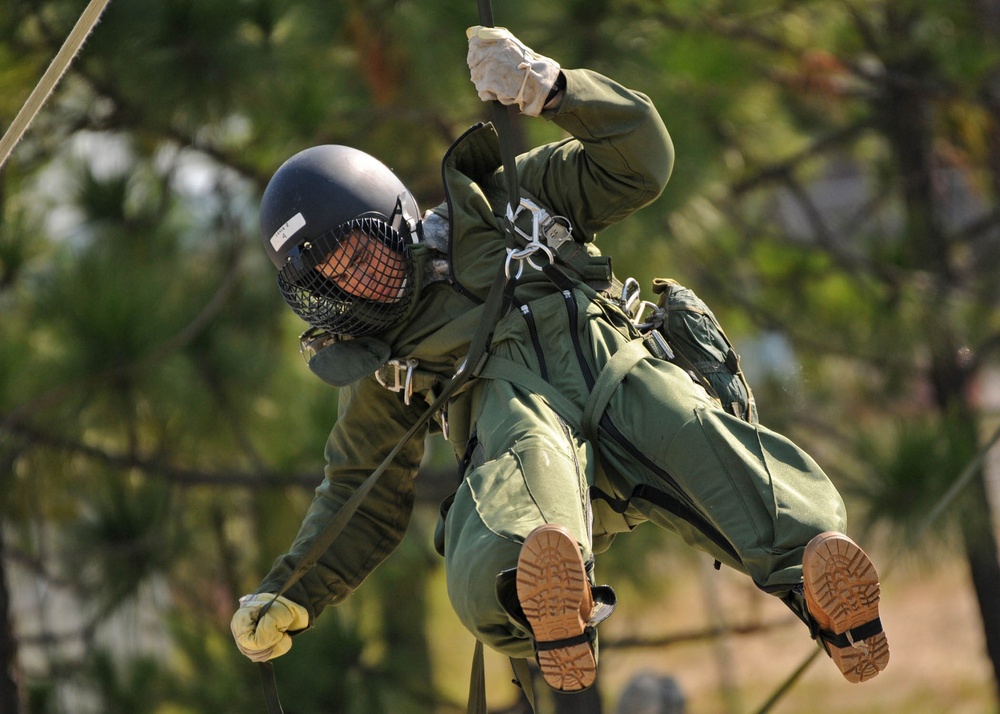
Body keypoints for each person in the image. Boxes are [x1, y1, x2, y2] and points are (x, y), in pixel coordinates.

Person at [231, 26, 890, 695]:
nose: (354, 284)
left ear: (389, 216)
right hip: (535, 454)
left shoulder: (507, 205)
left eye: (356, 254)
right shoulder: (384, 361)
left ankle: (818, 576)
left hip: (622, 388)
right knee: (524, 450)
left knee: (689, 425)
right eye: (331, 282)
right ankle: (540, 594)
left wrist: (551, 89)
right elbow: (355, 496)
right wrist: (292, 591)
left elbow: (641, 163)